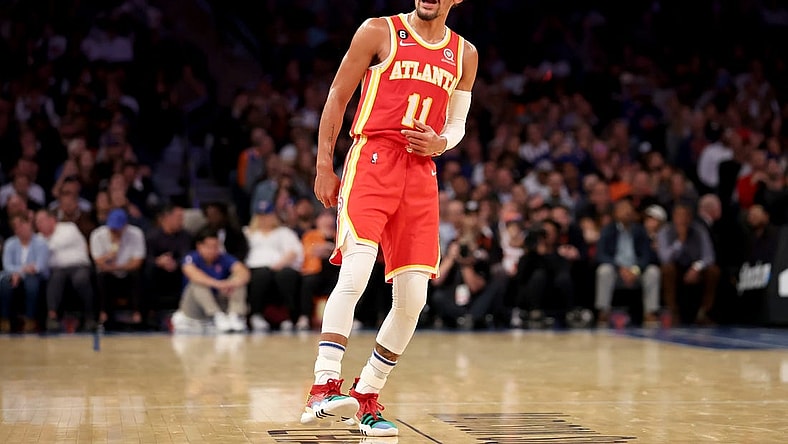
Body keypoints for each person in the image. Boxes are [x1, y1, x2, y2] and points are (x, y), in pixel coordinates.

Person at [302, 0, 477, 437]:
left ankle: (367, 395)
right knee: (357, 270)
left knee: (413, 299)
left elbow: (456, 123)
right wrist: (325, 164)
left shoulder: (464, 53)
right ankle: (324, 384)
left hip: (421, 175)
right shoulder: (379, 30)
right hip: (372, 160)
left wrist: (442, 143)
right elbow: (338, 95)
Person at [171, 228, 250, 334]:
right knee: (197, 283)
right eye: (209, 247)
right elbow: (194, 275)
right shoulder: (191, 258)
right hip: (195, 305)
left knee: (238, 282)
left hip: (219, 300)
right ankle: (215, 315)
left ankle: (235, 316)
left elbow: (243, 272)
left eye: (216, 247)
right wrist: (218, 284)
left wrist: (231, 283)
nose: (213, 250)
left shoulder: (224, 258)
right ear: (199, 246)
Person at [34, 209, 96, 332]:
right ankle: (52, 317)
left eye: (41, 221)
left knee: (81, 280)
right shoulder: (39, 238)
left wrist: (43, 244)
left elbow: (55, 246)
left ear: (51, 220)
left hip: (78, 265)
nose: (38, 225)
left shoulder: (68, 228)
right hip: (57, 270)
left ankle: (90, 317)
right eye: (36, 222)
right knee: (55, 279)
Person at [89, 208, 146, 328]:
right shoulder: (97, 235)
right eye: (112, 228)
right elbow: (99, 263)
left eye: (118, 228)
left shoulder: (136, 234)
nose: (114, 231)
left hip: (128, 272)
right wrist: (111, 254)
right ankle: (104, 313)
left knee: (138, 274)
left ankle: (138, 313)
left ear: (125, 226)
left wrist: (118, 267)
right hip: (108, 274)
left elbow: (137, 262)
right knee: (100, 277)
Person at [0, 214, 49, 333]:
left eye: (21, 225)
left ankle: (30, 319)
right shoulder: (10, 243)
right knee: (5, 284)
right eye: (16, 227)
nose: (19, 229)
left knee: (31, 283)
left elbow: (40, 266)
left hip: (35, 276)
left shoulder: (40, 243)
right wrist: (20, 271)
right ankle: (4, 318)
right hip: (13, 275)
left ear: (29, 225)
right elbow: (7, 265)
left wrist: (21, 271)